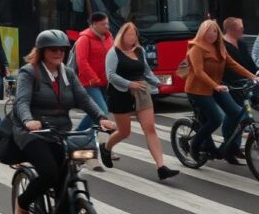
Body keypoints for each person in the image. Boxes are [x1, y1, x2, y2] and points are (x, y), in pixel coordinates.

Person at [11, 30, 115, 214]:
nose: (58, 53)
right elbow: (21, 102)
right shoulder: (29, 72)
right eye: (53, 49)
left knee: (66, 183)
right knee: (49, 173)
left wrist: (101, 118)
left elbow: (84, 99)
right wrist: (28, 121)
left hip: (61, 132)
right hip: (33, 133)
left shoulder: (67, 73)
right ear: (42, 51)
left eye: (61, 49)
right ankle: (23, 202)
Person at [99, 23, 178, 180]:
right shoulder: (113, 53)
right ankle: (106, 147)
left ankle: (161, 167)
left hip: (141, 92)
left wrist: (157, 82)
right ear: (122, 36)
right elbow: (110, 75)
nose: (132, 38)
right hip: (120, 94)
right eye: (129, 35)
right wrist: (129, 84)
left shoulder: (140, 51)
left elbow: (146, 72)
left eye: (134, 35)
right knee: (124, 132)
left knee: (150, 129)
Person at [184, 19, 259, 164]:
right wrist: (215, 86)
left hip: (216, 86)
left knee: (236, 112)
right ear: (202, 33)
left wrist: (252, 76)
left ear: (217, 32)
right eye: (207, 32)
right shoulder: (196, 48)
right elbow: (199, 72)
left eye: (213, 31)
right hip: (198, 90)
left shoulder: (220, 48)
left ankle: (228, 147)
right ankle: (195, 145)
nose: (211, 34)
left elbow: (233, 65)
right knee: (216, 119)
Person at [73, 12, 113, 131]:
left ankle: (84, 136)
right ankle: (78, 134)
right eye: (103, 24)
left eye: (107, 23)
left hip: (106, 81)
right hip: (90, 83)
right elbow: (82, 61)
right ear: (94, 24)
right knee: (102, 111)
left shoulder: (109, 36)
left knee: (95, 112)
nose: (107, 26)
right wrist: (94, 78)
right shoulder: (84, 39)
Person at [222, 17, 259, 111]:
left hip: (245, 83)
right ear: (231, 30)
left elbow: (249, 62)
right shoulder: (222, 45)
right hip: (230, 85)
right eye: (241, 28)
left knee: (247, 108)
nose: (243, 30)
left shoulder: (242, 44)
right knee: (236, 113)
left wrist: (256, 74)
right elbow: (229, 66)